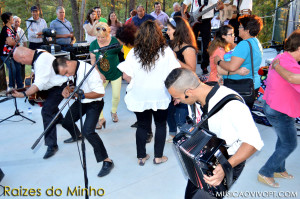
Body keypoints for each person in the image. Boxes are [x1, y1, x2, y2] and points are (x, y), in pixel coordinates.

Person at [164, 68, 264, 199]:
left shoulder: (231, 105)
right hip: (203, 157)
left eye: (176, 97)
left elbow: (253, 142)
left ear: (189, 91)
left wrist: (224, 167)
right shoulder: (194, 98)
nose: (175, 101)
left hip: (227, 159)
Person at [117, 20, 181, 166]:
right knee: (160, 124)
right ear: (158, 34)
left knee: (142, 125)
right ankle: (158, 157)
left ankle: (141, 156)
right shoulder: (166, 51)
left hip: (140, 95)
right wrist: (176, 94)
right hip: (160, 94)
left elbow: (126, 75)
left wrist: (135, 83)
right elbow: (175, 73)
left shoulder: (134, 52)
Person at [53, 57, 114, 177]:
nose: (67, 75)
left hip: (94, 102)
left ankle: (107, 161)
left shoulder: (89, 72)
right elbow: (72, 83)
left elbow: (100, 92)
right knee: (66, 122)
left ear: (68, 62)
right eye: (64, 75)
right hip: (82, 100)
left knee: (88, 132)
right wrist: (67, 89)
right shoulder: (72, 69)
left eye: (66, 72)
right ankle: (78, 135)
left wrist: (81, 94)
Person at [258, 30, 300, 188]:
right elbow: (292, 78)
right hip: (279, 111)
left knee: (283, 139)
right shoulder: (290, 65)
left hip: (274, 107)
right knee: (290, 144)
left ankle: (279, 168)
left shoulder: (281, 57)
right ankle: (266, 171)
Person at [12, 47, 67, 159]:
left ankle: (52, 145)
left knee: (46, 111)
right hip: (52, 86)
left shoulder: (41, 60)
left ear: (23, 56)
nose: (22, 63)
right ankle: (77, 133)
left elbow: (39, 84)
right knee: (54, 112)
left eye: (21, 61)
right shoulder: (37, 52)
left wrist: (24, 94)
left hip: (59, 88)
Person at [214, 15, 263, 109]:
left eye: (240, 26)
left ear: (247, 30)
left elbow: (232, 67)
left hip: (240, 86)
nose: (238, 29)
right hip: (251, 85)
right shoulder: (256, 42)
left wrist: (219, 61)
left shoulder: (244, 44)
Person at [166, 16, 197, 142]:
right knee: (169, 112)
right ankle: (173, 134)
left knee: (181, 116)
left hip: (185, 87)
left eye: (169, 29)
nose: (167, 32)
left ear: (177, 30)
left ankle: (189, 139)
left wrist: (176, 59)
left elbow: (192, 70)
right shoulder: (173, 45)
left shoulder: (188, 48)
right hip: (174, 85)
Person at [89, 22, 122, 128]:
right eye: (98, 37)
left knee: (116, 95)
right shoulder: (93, 44)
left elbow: (126, 52)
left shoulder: (114, 42)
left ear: (108, 34)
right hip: (101, 75)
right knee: (98, 97)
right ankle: (101, 118)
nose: (100, 39)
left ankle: (113, 112)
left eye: (102, 37)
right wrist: (98, 74)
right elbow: (93, 61)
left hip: (115, 73)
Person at [181, 0, 224, 74]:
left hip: (206, 21)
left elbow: (220, 6)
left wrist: (220, 6)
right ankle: (189, 64)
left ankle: (204, 66)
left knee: (206, 45)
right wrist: (183, 14)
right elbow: (184, 4)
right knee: (191, 43)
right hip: (193, 20)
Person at [0, 12, 23, 91]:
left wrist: (14, 41)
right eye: (11, 17)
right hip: (6, 53)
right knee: (12, 69)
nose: (13, 18)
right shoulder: (5, 29)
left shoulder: (12, 28)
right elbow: (11, 42)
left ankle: (20, 87)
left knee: (18, 68)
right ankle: (11, 87)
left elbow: (17, 40)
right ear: (7, 19)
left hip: (13, 53)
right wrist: (14, 42)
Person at [13, 16, 28, 82]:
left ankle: (22, 81)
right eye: (15, 21)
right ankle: (15, 81)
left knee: (22, 67)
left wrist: (26, 51)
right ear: (12, 22)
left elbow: (25, 41)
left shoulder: (21, 30)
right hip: (13, 52)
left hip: (21, 51)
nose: (17, 23)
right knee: (15, 68)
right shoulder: (10, 30)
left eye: (18, 22)